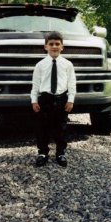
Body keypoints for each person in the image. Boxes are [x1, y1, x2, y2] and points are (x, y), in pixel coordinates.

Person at [30, 31, 76, 167]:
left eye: (57, 44)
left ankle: (60, 153)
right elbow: (36, 84)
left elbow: (72, 83)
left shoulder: (68, 64)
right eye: (51, 44)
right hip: (45, 99)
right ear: (45, 47)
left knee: (61, 127)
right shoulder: (40, 65)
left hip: (62, 99)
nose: (54, 46)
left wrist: (70, 99)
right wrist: (34, 100)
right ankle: (42, 153)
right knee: (42, 127)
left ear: (62, 47)